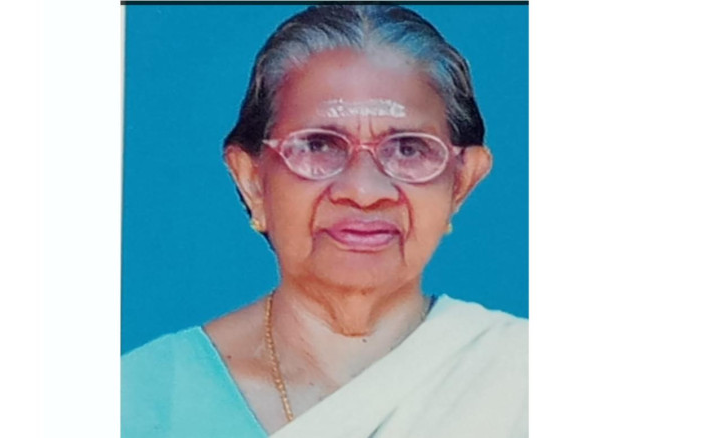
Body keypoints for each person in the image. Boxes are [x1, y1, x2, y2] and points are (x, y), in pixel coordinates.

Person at [122, 4, 527, 437]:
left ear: (461, 182)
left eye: (408, 149)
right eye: (318, 145)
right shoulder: (140, 397)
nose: (364, 191)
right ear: (252, 181)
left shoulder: (528, 380)